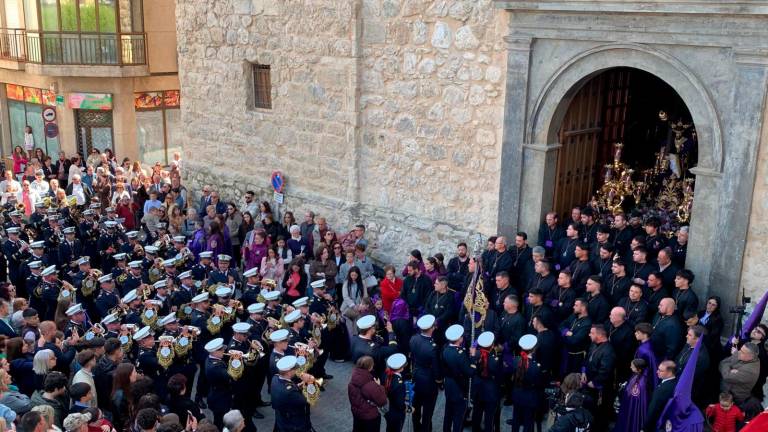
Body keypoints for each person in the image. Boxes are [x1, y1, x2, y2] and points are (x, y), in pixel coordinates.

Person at [409, 314, 440, 432]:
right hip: (429, 381)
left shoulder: (413, 339)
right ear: (431, 328)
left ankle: (416, 427)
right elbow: (436, 368)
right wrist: (439, 380)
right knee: (428, 411)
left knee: (416, 406)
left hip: (416, 376)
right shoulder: (433, 347)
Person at [271, 355, 314, 432]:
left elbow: (286, 387)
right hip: (293, 424)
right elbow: (307, 400)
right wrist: (310, 382)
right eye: (295, 369)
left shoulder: (275, 378)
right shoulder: (290, 392)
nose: (296, 370)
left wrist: (298, 386)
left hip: (281, 418)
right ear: (289, 372)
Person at [348, 355, 388, 432]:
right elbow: (382, 401)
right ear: (370, 367)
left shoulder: (353, 379)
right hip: (369, 416)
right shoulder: (369, 383)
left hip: (356, 413)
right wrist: (379, 386)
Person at [614, 358, 650, 432]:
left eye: (632, 366)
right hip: (626, 408)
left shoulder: (641, 384)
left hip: (631, 411)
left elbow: (636, 401)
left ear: (639, 369)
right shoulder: (635, 375)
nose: (630, 367)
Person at [644, 360, 678, 432]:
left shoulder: (662, 390)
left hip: (658, 423)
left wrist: (644, 428)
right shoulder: (676, 382)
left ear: (669, 372)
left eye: (660, 370)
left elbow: (653, 409)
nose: (657, 372)